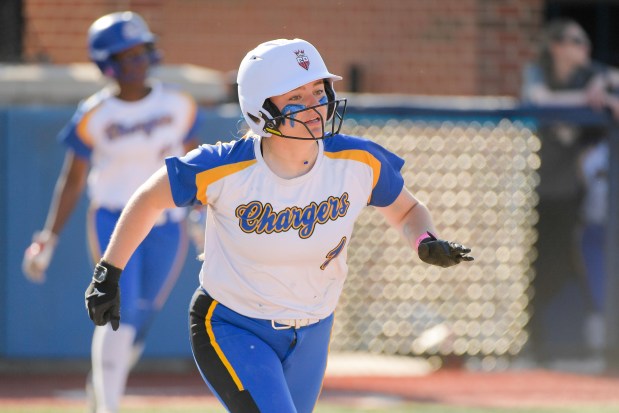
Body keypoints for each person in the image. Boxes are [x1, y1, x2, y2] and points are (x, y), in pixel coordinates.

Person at [84, 38, 473, 413]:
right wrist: (109, 271)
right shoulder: (223, 167)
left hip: (314, 329)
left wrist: (424, 240)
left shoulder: (359, 160)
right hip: (232, 324)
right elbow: (149, 198)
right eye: (296, 98)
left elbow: (407, 211)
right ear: (259, 109)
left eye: (319, 92)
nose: (314, 106)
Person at [21, 11, 202, 413]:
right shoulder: (94, 114)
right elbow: (71, 179)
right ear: (107, 65)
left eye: (140, 54)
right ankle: (108, 406)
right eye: (125, 57)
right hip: (113, 219)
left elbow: (194, 162)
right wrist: (47, 237)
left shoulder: (178, 103)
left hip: (167, 224)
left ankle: (102, 385)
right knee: (115, 308)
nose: (135, 64)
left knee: (141, 316)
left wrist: (200, 214)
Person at [520, 18, 617, 360]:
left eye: (586, 42)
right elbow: (541, 99)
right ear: (556, 46)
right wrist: (589, 98)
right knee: (530, 268)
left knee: (563, 266)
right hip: (527, 194)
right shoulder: (537, 72)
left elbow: (613, 82)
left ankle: (563, 344)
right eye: (576, 41)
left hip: (567, 194)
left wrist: (603, 83)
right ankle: (530, 344)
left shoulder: (590, 74)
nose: (584, 49)